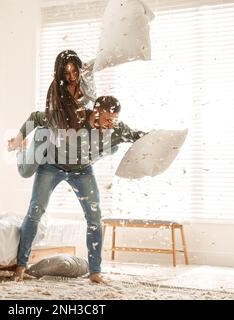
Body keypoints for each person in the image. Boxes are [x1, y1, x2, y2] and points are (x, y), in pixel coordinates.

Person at [9, 91, 147, 283]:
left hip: (82, 170)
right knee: (35, 211)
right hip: (51, 165)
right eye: (107, 119)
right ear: (96, 111)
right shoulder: (74, 115)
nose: (110, 124)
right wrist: (18, 138)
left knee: (95, 217)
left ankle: (95, 272)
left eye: (113, 120)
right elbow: (35, 117)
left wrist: (162, 140)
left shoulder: (116, 128)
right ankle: (21, 266)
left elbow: (139, 136)